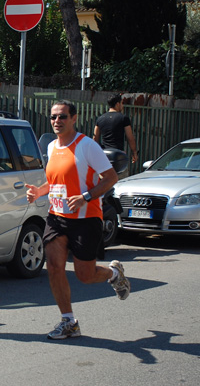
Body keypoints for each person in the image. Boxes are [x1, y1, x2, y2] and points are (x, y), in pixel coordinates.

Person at [26, 100, 131, 340]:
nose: (57, 121)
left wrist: (86, 196)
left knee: (84, 274)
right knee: (53, 266)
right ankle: (68, 321)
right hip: (57, 216)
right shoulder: (52, 147)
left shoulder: (87, 146)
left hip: (86, 217)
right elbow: (55, 183)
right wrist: (38, 192)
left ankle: (114, 274)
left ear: (74, 118)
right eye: (53, 117)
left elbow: (111, 177)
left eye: (62, 116)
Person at [93, 93, 139, 169]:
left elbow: (95, 139)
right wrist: (134, 152)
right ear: (117, 104)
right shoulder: (123, 118)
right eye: (121, 103)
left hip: (104, 155)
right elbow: (130, 137)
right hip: (118, 155)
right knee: (121, 178)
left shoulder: (100, 119)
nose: (122, 105)